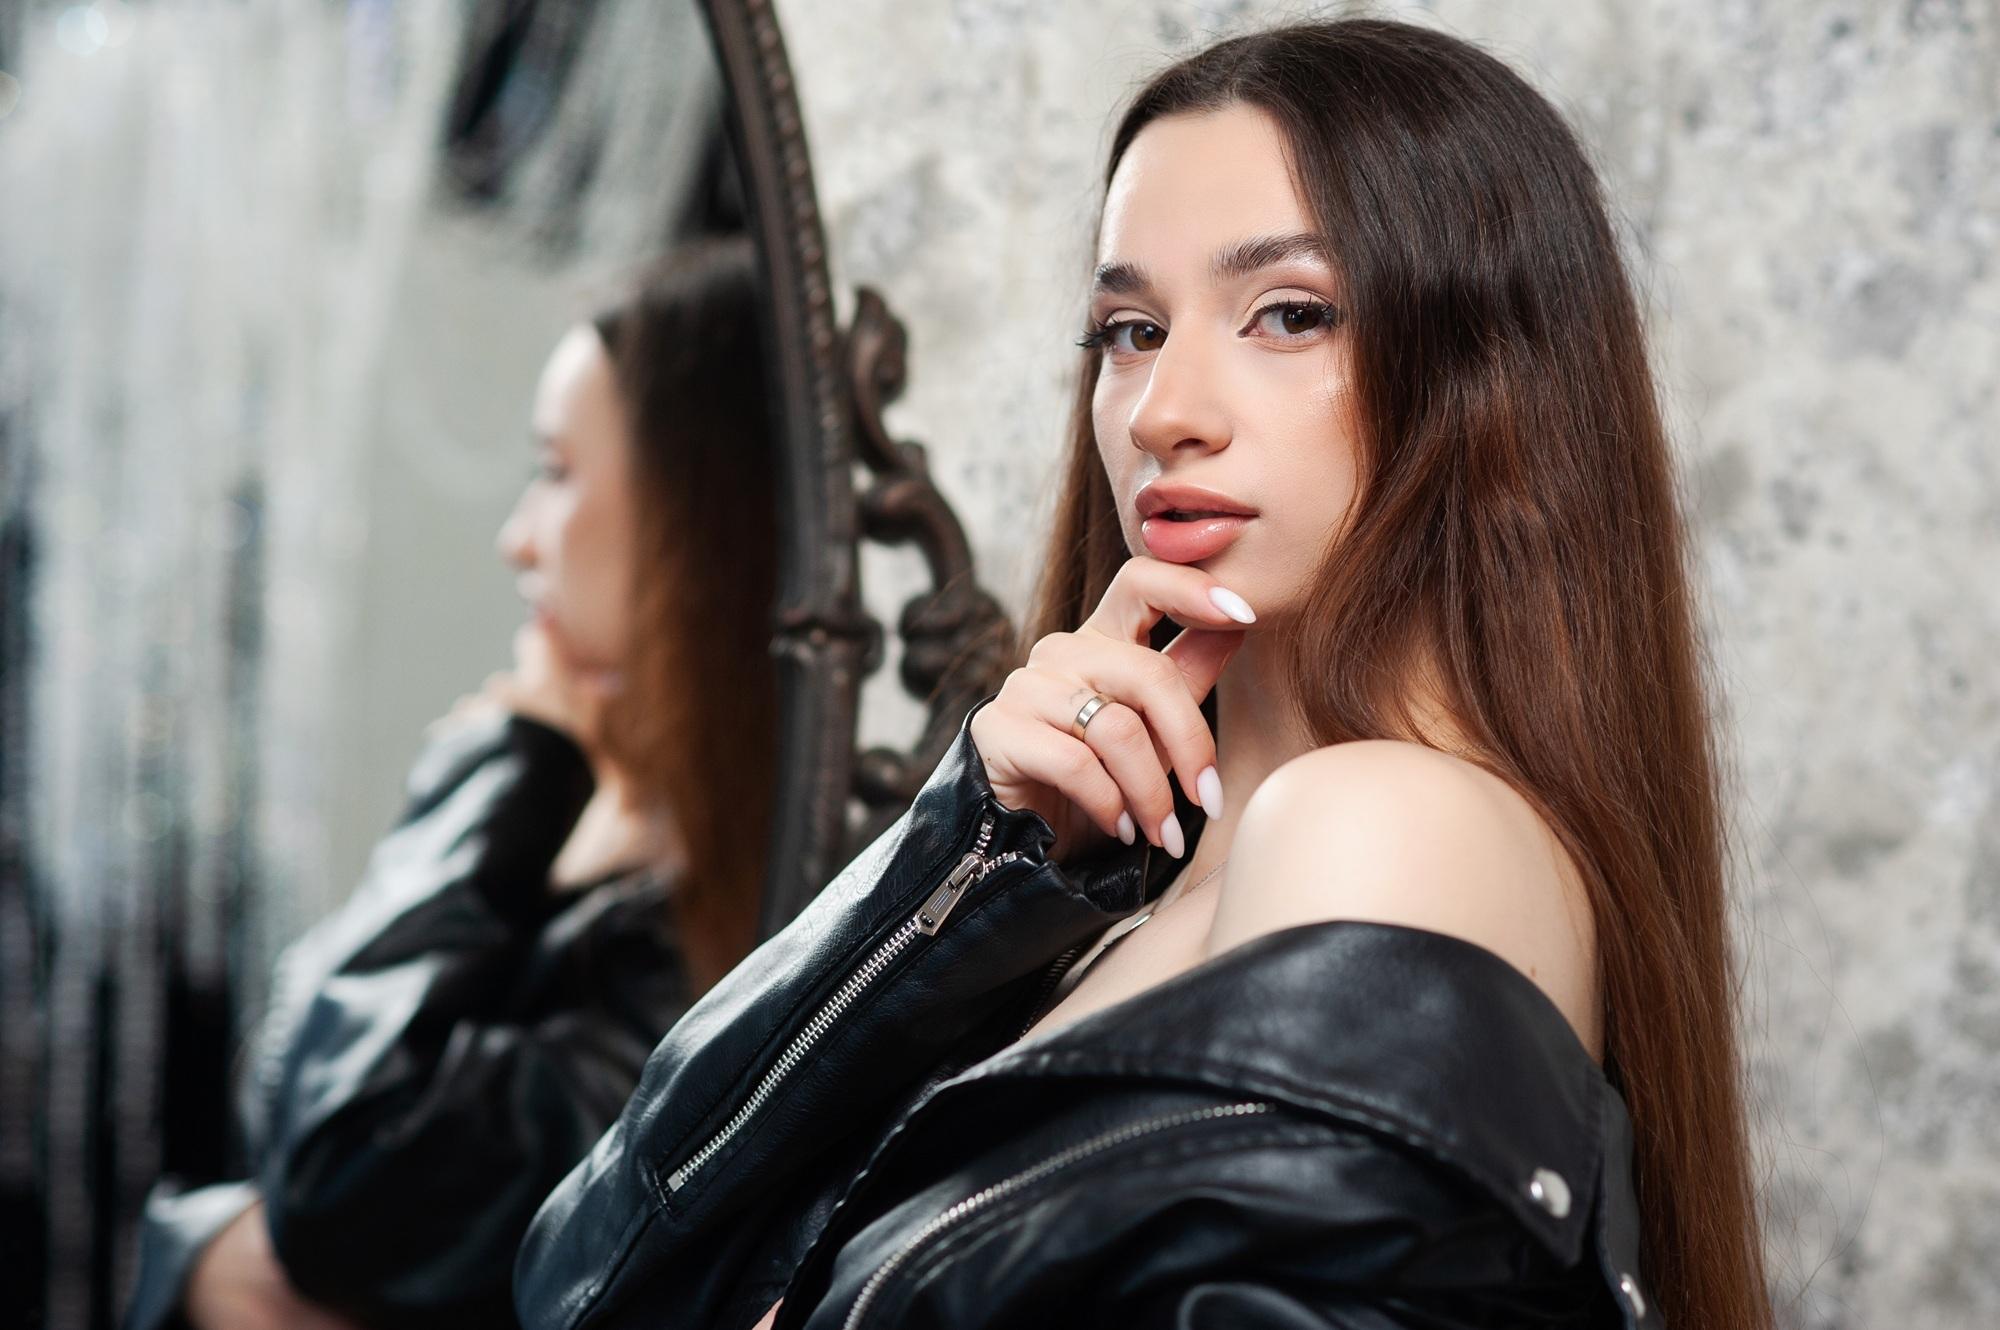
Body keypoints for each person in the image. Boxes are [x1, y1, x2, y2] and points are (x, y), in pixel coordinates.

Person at [515, 19, 1770, 1330]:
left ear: (1489, 380)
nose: (1165, 408)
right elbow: (585, 1279)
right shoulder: (1109, 901)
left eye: (1289, 314)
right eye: (1129, 328)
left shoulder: (1384, 825)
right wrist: (966, 844)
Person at [124, 234, 782, 1330]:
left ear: (693, 515)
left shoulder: (703, 940)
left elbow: (340, 1174)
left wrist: (507, 762)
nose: (517, 540)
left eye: (557, 472)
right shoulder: (596, 842)